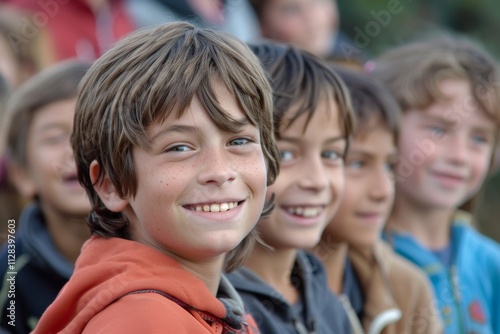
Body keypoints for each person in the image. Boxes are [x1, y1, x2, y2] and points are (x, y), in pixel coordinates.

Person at [33, 21, 280, 333]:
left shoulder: (214, 308)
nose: (219, 171)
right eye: (179, 147)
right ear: (110, 183)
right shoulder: (145, 321)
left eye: (239, 141)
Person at [372, 36, 500, 333]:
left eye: (479, 138)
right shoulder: (363, 258)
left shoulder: (492, 264)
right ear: (385, 129)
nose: (459, 156)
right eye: (439, 130)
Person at [228, 42, 354, 333]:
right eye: (286, 154)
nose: (317, 180)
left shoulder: (326, 302)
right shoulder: (218, 309)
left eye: (331, 155)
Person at [316, 66, 443, 333]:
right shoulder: (247, 292)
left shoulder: (406, 288)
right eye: (358, 163)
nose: (383, 191)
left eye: (389, 165)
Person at [0, 60, 92, 333]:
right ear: (23, 174)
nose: (75, 150)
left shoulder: (170, 251)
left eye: (90, 131)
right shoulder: (9, 276)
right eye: (54, 138)